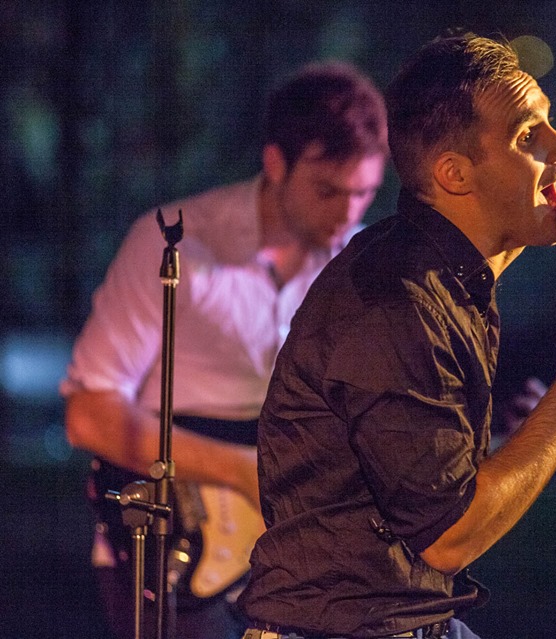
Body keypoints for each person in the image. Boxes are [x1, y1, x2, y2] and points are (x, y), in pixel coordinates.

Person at [238, 33, 556, 639]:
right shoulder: (397, 301)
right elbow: (448, 538)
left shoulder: (448, 282)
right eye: (527, 135)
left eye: (550, 123)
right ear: (454, 174)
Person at [61, 61, 389, 639]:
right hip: (171, 544)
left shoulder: (361, 270)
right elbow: (89, 415)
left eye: (364, 193)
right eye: (327, 190)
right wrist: (242, 472)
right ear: (276, 163)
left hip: (294, 563)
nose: (346, 213)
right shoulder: (174, 242)